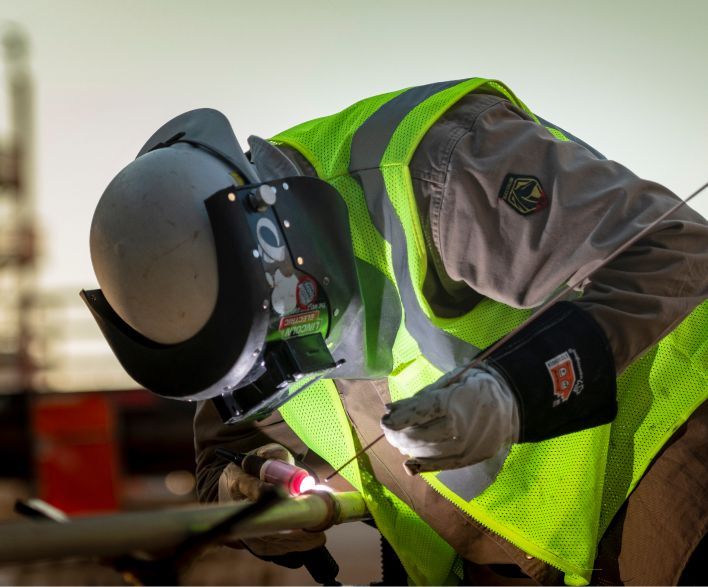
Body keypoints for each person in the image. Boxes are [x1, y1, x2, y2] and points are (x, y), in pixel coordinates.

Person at [86, 77, 707, 585]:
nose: (263, 372)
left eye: (263, 341)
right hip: (499, 553)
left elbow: (678, 257)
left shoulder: (432, 164)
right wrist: (243, 494)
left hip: (669, 441)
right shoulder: (222, 338)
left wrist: (514, 388)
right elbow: (223, 453)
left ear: (274, 238)